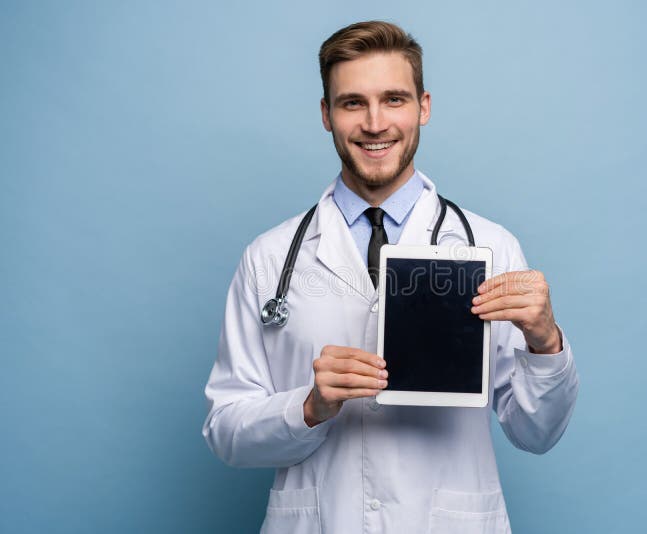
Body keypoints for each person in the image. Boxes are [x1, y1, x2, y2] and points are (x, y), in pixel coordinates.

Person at [202, 20, 579, 534]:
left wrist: (545, 342)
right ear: (326, 115)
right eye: (352, 103)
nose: (375, 123)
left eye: (394, 100)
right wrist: (309, 407)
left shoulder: (491, 248)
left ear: (423, 106)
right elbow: (226, 431)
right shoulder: (269, 259)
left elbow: (537, 433)